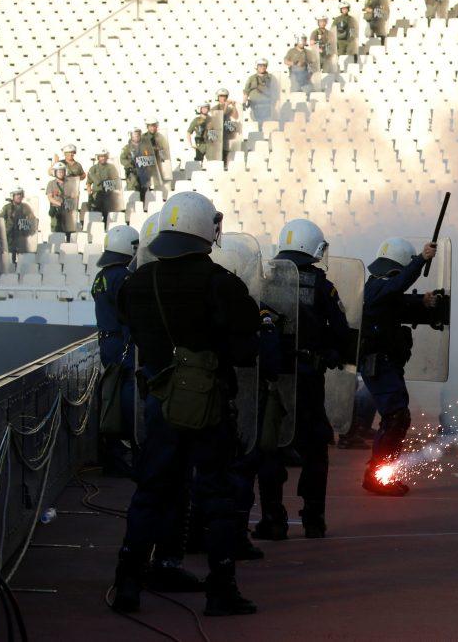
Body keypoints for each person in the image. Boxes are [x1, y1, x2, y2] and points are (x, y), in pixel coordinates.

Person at [111, 191, 261, 616]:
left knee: (151, 492)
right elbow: (246, 343)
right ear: (202, 230)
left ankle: (127, 582)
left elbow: (130, 325)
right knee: (216, 496)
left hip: (159, 404)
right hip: (208, 407)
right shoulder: (220, 283)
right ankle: (221, 589)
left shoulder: (137, 283)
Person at [250, 219, 350, 539]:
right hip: (307, 380)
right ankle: (314, 520)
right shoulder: (321, 285)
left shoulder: (265, 281)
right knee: (315, 449)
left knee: (271, 446)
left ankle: (273, 519)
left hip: (273, 380)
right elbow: (342, 331)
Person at [359, 237, 442, 496]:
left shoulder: (381, 288)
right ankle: (378, 476)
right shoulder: (377, 287)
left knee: (397, 417)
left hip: (387, 364)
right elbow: (396, 288)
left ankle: (379, 472)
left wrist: (422, 303)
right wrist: (421, 260)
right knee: (396, 417)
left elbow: (398, 302)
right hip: (379, 363)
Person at [92, 225, 139, 474]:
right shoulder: (122, 276)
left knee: (112, 392)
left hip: (107, 342)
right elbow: (129, 314)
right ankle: (131, 447)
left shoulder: (102, 275)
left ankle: (112, 452)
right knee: (126, 395)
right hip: (123, 342)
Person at [86, 149, 122, 226]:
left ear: (106, 157)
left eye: (104, 156)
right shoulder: (93, 169)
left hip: (109, 195)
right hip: (97, 195)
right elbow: (88, 183)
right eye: (100, 157)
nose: (102, 158)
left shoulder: (111, 167)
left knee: (108, 216)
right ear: (98, 158)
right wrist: (89, 195)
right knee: (96, 215)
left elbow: (116, 180)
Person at [1, 188, 36, 265]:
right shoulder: (7, 208)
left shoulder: (25, 207)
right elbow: (1, 221)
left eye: (20, 194)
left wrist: (28, 230)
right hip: (9, 237)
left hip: (21, 236)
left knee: (23, 261)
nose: (19, 196)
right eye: (17, 194)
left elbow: (32, 220)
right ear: (12, 196)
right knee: (10, 261)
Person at [120, 129, 153, 207]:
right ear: (131, 136)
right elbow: (122, 159)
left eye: (138, 135)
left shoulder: (145, 147)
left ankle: (143, 208)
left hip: (143, 173)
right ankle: (134, 208)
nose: (136, 137)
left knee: (144, 192)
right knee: (134, 192)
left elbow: (150, 158)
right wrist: (130, 164)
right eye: (134, 135)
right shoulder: (127, 148)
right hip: (132, 174)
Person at [47, 162, 77, 241]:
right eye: (59, 171)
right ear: (55, 172)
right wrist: (60, 203)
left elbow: (74, 195)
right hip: (56, 210)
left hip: (67, 210)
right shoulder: (51, 184)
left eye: (62, 171)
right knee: (56, 232)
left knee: (68, 233)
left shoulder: (70, 183)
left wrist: (70, 198)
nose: (61, 173)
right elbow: (50, 197)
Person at [213, 89, 239, 165]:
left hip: (225, 132)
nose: (223, 98)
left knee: (226, 150)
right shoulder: (215, 108)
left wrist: (234, 106)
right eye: (221, 96)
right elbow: (220, 117)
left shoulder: (228, 108)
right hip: (217, 132)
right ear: (218, 97)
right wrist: (226, 106)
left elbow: (236, 116)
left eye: (225, 96)